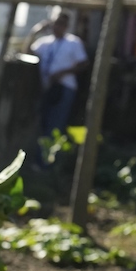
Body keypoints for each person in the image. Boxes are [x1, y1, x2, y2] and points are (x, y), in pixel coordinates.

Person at [28, 10, 88, 162]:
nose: (57, 26)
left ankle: (48, 162)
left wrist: (63, 73)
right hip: (47, 88)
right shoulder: (45, 42)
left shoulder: (73, 42)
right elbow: (27, 51)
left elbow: (83, 63)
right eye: (55, 23)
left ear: (67, 26)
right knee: (44, 123)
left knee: (56, 125)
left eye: (61, 24)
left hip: (64, 87)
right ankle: (42, 160)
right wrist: (35, 32)